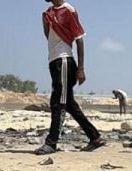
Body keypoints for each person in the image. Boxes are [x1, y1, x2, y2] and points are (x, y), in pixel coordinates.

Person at [35, 0, 105, 155]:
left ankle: (51, 143)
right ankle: (95, 137)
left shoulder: (68, 10)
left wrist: (81, 68)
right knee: (69, 104)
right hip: (54, 60)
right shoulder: (47, 14)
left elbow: (79, 39)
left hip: (64, 60)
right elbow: (49, 37)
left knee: (58, 102)